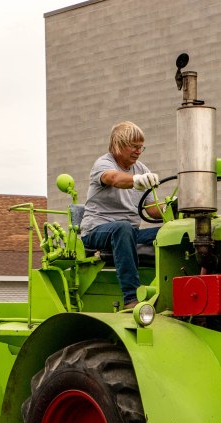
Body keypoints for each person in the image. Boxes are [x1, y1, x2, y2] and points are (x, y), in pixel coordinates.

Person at [80, 121, 162, 310]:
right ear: (118, 144)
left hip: (129, 233)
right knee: (123, 228)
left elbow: (151, 210)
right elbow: (113, 179)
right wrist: (135, 181)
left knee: (170, 234)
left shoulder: (142, 169)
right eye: (134, 146)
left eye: (141, 147)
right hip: (96, 232)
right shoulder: (104, 163)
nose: (138, 151)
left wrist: (177, 211)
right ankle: (131, 298)